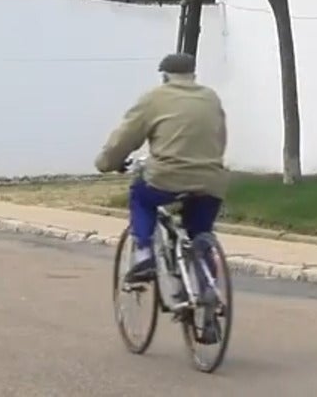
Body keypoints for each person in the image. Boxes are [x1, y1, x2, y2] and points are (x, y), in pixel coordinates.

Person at [95, 51, 229, 287]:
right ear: (192, 76)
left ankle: (144, 253)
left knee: (141, 197)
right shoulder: (211, 98)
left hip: (167, 179)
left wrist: (107, 163)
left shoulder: (154, 99)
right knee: (199, 234)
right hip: (211, 180)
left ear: (165, 76)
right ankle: (208, 294)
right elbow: (220, 137)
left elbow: (125, 137)